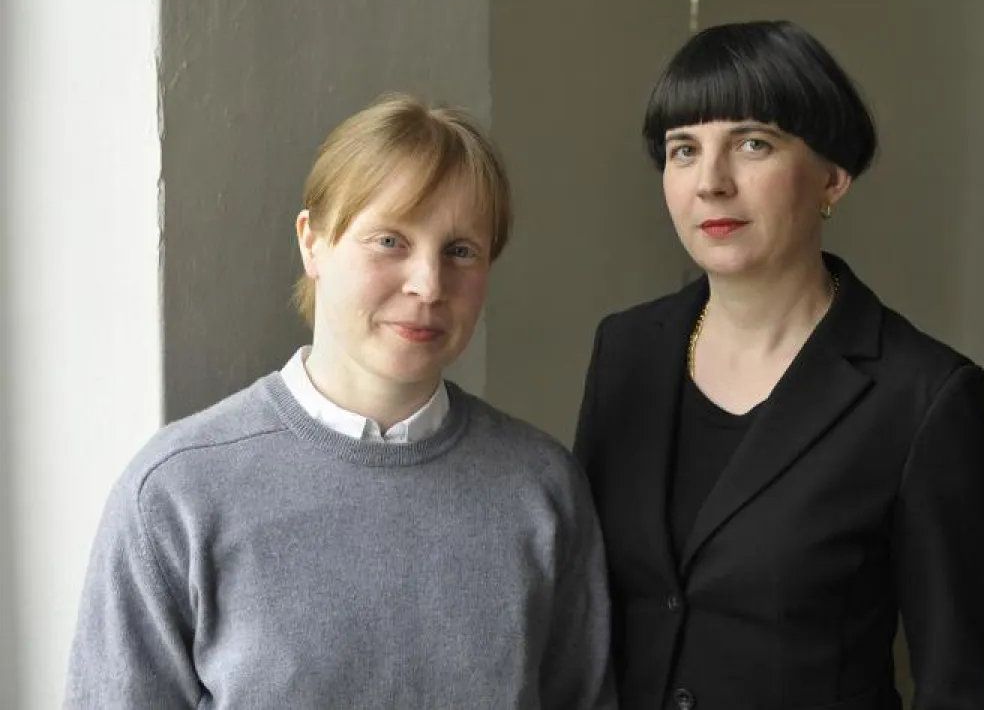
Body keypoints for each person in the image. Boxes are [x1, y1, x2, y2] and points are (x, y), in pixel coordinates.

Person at [66, 93, 615, 709]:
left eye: (461, 251)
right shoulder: (176, 493)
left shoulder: (541, 488)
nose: (429, 285)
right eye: (390, 241)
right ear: (313, 243)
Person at [574, 21, 984, 710]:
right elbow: (587, 603)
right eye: (683, 150)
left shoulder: (924, 396)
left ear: (833, 178)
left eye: (752, 144)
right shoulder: (626, 350)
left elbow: (960, 683)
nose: (711, 183)